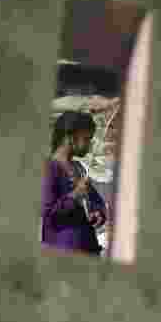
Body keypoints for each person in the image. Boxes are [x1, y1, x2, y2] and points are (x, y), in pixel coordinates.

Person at [41, 110, 109, 256]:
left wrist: (98, 213)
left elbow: (97, 201)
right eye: (87, 139)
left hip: (88, 248)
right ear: (70, 138)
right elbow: (48, 215)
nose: (90, 145)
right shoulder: (50, 168)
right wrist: (74, 196)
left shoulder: (78, 168)